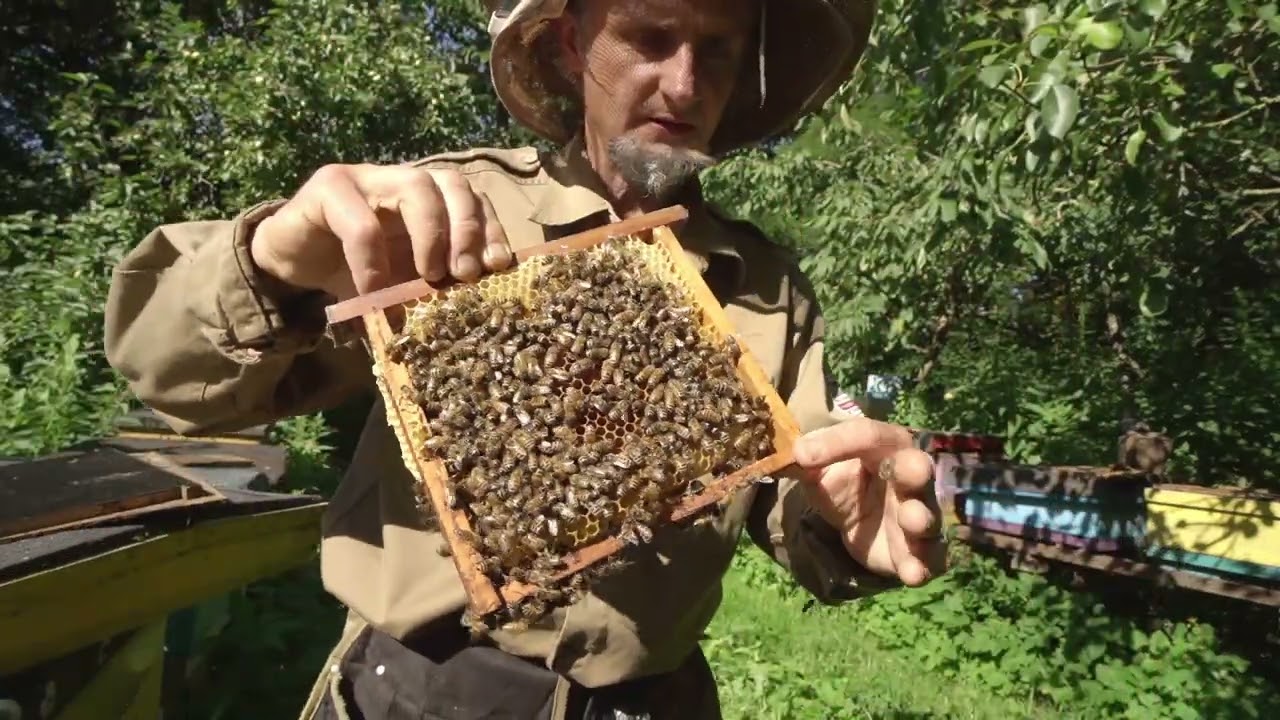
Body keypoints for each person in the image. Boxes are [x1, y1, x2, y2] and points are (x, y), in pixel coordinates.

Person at [103, 0, 948, 717]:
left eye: (718, 51)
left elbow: (782, 485)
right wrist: (272, 261)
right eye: (651, 35)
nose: (687, 84)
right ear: (573, 44)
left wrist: (838, 523)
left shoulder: (765, 282)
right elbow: (172, 376)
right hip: (423, 688)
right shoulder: (447, 209)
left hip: (651, 697)